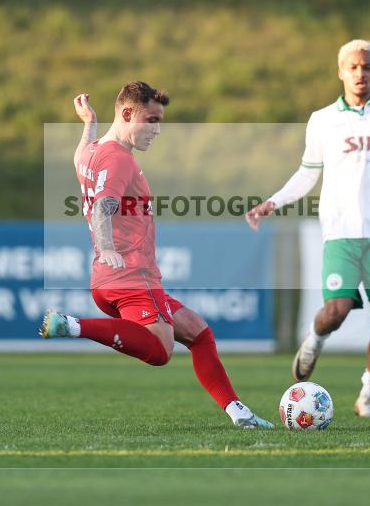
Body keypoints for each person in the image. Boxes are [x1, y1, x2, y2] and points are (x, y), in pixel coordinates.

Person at [41, 82, 274, 430]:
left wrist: (89, 122)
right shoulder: (118, 159)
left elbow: (79, 158)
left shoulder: (94, 152)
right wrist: (107, 248)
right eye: (150, 120)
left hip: (107, 279)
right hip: (132, 275)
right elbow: (104, 206)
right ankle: (72, 326)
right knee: (161, 351)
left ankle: (239, 413)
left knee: (198, 332)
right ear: (127, 114)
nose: (157, 130)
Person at [246, 40, 370, 419]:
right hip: (340, 234)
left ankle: (369, 392)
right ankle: (314, 339)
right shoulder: (323, 119)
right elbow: (308, 173)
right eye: (354, 67)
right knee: (336, 312)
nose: (361, 74)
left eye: (368, 67)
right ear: (341, 71)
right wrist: (273, 201)